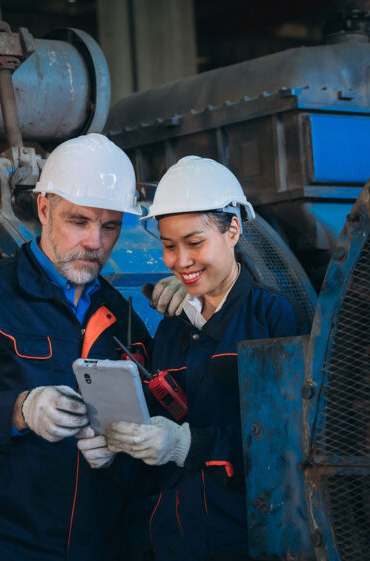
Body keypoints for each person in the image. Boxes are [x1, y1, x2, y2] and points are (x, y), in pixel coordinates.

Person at [0, 133, 184, 560]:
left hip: (97, 547)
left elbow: (152, 466)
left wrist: (202, 298)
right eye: (79, 221)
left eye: (109, 226)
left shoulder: (124, 321)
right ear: (44, 208)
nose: (94, 242)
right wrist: (19, 410)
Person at [79, 156, 305, 561]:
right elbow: (154, 470)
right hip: (173, 543)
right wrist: (118, 453)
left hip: (249, 542)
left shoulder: (274, 317)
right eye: (168, 245)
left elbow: (289, 446)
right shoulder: (172, 329)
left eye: (194, 243)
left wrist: (188, 444)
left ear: (233, 230)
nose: (180, 261)